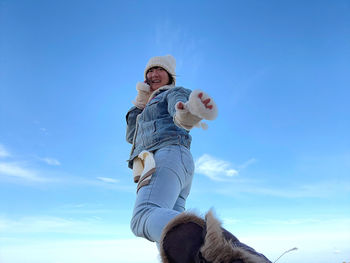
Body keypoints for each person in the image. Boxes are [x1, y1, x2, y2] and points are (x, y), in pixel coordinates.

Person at [126, 55, 271, 263]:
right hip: (176, 163)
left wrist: (189, 112)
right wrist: (140, 103)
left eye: (159, 70)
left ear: (170, 76)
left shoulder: (172, 92)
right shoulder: (146, 106)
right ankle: (248, 256)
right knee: (168, 240)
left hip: (165, 155)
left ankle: (234, 255)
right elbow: (131, 137)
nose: (153, 74)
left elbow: (181, 111)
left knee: (143, 217)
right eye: (150, 71)